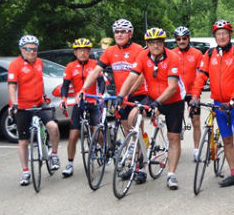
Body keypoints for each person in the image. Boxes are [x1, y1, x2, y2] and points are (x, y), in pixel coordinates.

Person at [118, 28, 186, 190]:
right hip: (152, 95)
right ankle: (141, 152)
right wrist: (122, 95)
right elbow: (132, 76)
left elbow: (172, 87)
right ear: (147, 44)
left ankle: (171, 175)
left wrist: (158, 103)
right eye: (152, 42)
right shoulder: (143, 56)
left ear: (163, 43)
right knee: (133, 116)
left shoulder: (173, 57)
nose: (156, 45)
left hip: (173, 100)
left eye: (159, 42)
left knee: (174, 137)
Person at [190, 20, 234, 192]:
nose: (222, 36)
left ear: (230, 35)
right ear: (215, 36)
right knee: (226, 140)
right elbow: (201, 76)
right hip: (219, 104)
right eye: (219, 33)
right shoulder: (210, 54)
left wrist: (232, 101)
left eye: (225, 33)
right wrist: (195, 96)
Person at [8, 35, 60, 186]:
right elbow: (11, 86)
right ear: (21, 50)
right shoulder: (15, 65)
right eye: (28, 49)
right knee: (23, 141)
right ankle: (25, 171)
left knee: (53, 127)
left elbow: (39, 81)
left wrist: (44, 96)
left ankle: (54, 154)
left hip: (39, 103)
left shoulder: (39, 62)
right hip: (23, 106)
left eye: (34, 49)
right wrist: (14, 104)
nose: (31, 52)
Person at [81, 18, 146, 133]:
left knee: (134, 123)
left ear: (130, 34)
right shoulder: (109, 51)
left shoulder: (138, 49)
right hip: (121, 95)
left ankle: (143, 149)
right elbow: (96, 71)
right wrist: (84, 89)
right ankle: (132, 150)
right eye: (117, 31)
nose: (119, 34)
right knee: (126, 128)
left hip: (138, 94)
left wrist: (127, 94)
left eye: (123, 31)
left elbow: (141, 77)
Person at [59, 38, 104, 178]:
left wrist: (100, 95)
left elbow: (102, 82)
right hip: (79, 104)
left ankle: (103, 151)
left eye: (86, 50)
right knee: (73, 136)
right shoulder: (70, 66)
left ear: (89, 52)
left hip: (94, 103)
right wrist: (64, 99)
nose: (83, 53)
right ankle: (70, 164)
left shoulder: (95, 64)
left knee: (98, 132)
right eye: (80, 50)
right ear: (75, 52)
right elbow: (65, 85)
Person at [170, 26, 203, 161]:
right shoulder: (171, 53)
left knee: (195, 121)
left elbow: (201, 74)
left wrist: (197, 93)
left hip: (192, 92)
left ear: (188, 39)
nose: (182, 41)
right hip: (176, 92)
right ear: (176, 40)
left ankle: (196, 149)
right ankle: (172, 146)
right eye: (179, 39)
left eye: (184, 38)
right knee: (172, 123)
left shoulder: (197, 53)